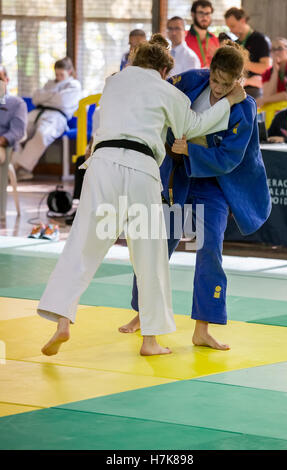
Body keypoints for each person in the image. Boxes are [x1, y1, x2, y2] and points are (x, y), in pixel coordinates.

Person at [37, 34, 245, 358]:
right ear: (164, 69)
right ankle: (150, 340)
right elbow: (193, 125)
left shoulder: (113, 82)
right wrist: (228, 103)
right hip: (141, 171)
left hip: (102, 165)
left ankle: (62, 318)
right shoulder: (167, 91)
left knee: (82, 243)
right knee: (150, 256)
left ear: (136, 60)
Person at [124, 41, 271, 351]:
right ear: (210, 68)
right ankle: (142, 313)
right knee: (157, 244)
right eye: (215, 79)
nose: (218, 88)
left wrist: (192, 150)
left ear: (238, 79)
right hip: (179, 176)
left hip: (214, 184)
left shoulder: (244, 107)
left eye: (225, 84)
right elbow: (158, 87)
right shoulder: (192, 79)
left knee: (209, 251)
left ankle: (202, 328)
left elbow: (231, 156)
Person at [12, 57, 81, 181]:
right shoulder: (49, 83)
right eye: (56, 74)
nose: (58, 77)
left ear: (70, 72)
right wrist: (54, 95)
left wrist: (45, 96)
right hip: (37, 112)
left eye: (62, 74)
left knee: (42, 135)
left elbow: (63, 101)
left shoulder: (74, 85)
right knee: (16, 132)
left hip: (57, 117)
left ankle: (21, 169)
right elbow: (35, 98)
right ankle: (12, 168)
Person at [225, 7, 271, 99]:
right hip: (235, 89)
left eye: (233, 26)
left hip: (254, 92)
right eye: (229, 27)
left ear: (242, 21)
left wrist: (241, 63)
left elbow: (266, 68)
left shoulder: (260, 39)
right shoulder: (236, 42)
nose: (231, 30)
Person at [257, 38, 287, 108]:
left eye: (280, 49)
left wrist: (263, 100)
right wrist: (275, 72)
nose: (276, 52)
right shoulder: (268, 72)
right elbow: (268, 94)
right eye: (273, 50)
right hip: (277, 109)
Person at [0, 65, 27, 165]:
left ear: (7, 80)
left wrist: (2, 140)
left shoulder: (17, 104)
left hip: (3, 147)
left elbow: (17, 132)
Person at [185, 1, 219, 68]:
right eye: (201, 13)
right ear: (193, 14)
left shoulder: (214, 39)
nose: (205, 17)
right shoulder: (184, 38)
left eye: (208, 13)